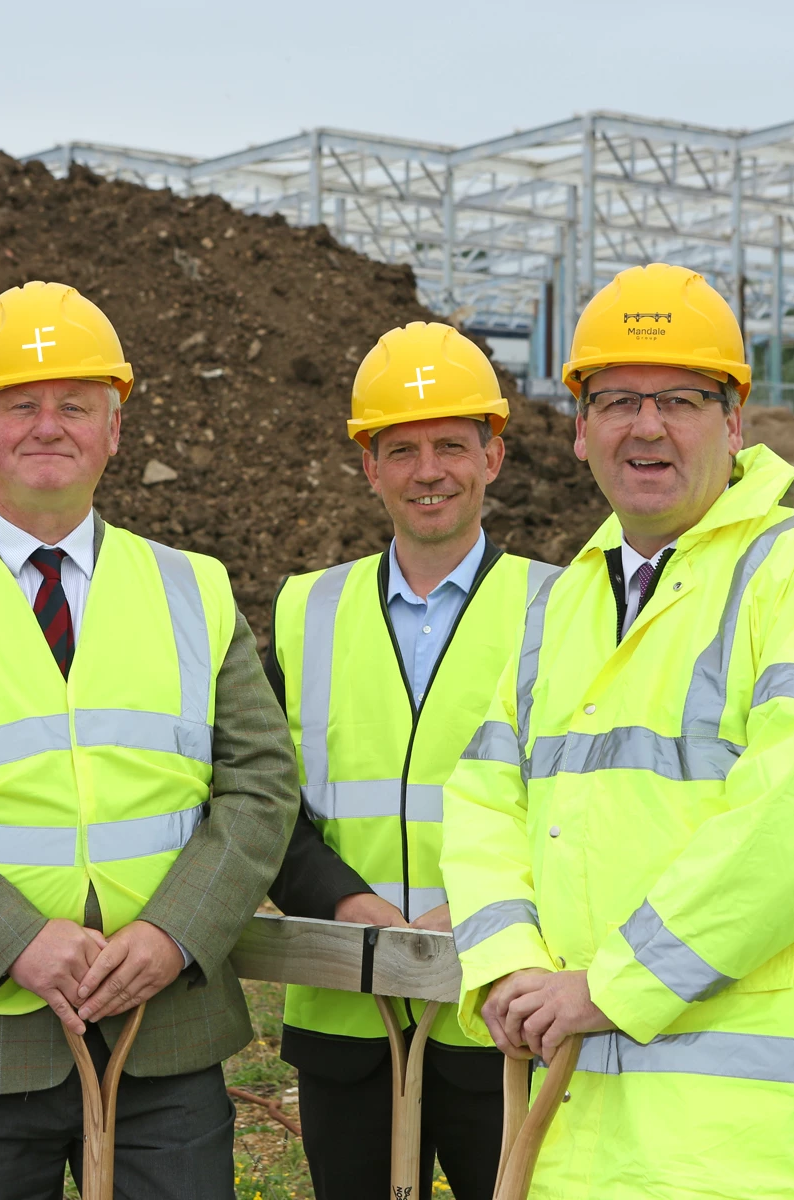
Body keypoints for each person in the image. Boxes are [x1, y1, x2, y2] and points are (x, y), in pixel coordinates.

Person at [440, 264, 794, 1198]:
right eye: (619, 400)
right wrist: (511, 970)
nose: (647, 425)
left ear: (735, 421)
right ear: (582, 429)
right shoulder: (566, 608)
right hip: (595, 1136)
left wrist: (609, 985)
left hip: (780, 1147)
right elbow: (483, 799)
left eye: (680, 398)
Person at [0, 281, 298, 1200]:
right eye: (20, 404)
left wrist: (173, 933)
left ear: (114, 431)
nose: (48, 425)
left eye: (76, 405)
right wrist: (17, 939)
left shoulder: (197, 589)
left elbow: (261, 785)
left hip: (163, 1032)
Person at [263, 322, 560, 1200]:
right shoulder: (304, 610)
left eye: (450, 446)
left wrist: (471, 913)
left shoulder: (563, 609)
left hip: (502, 1018)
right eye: (402, 450)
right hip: (345, 1015)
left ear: (493, 457)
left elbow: (590, 807)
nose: (428, 471)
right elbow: (260, 803)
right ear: (370, 466)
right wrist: (350, 905)